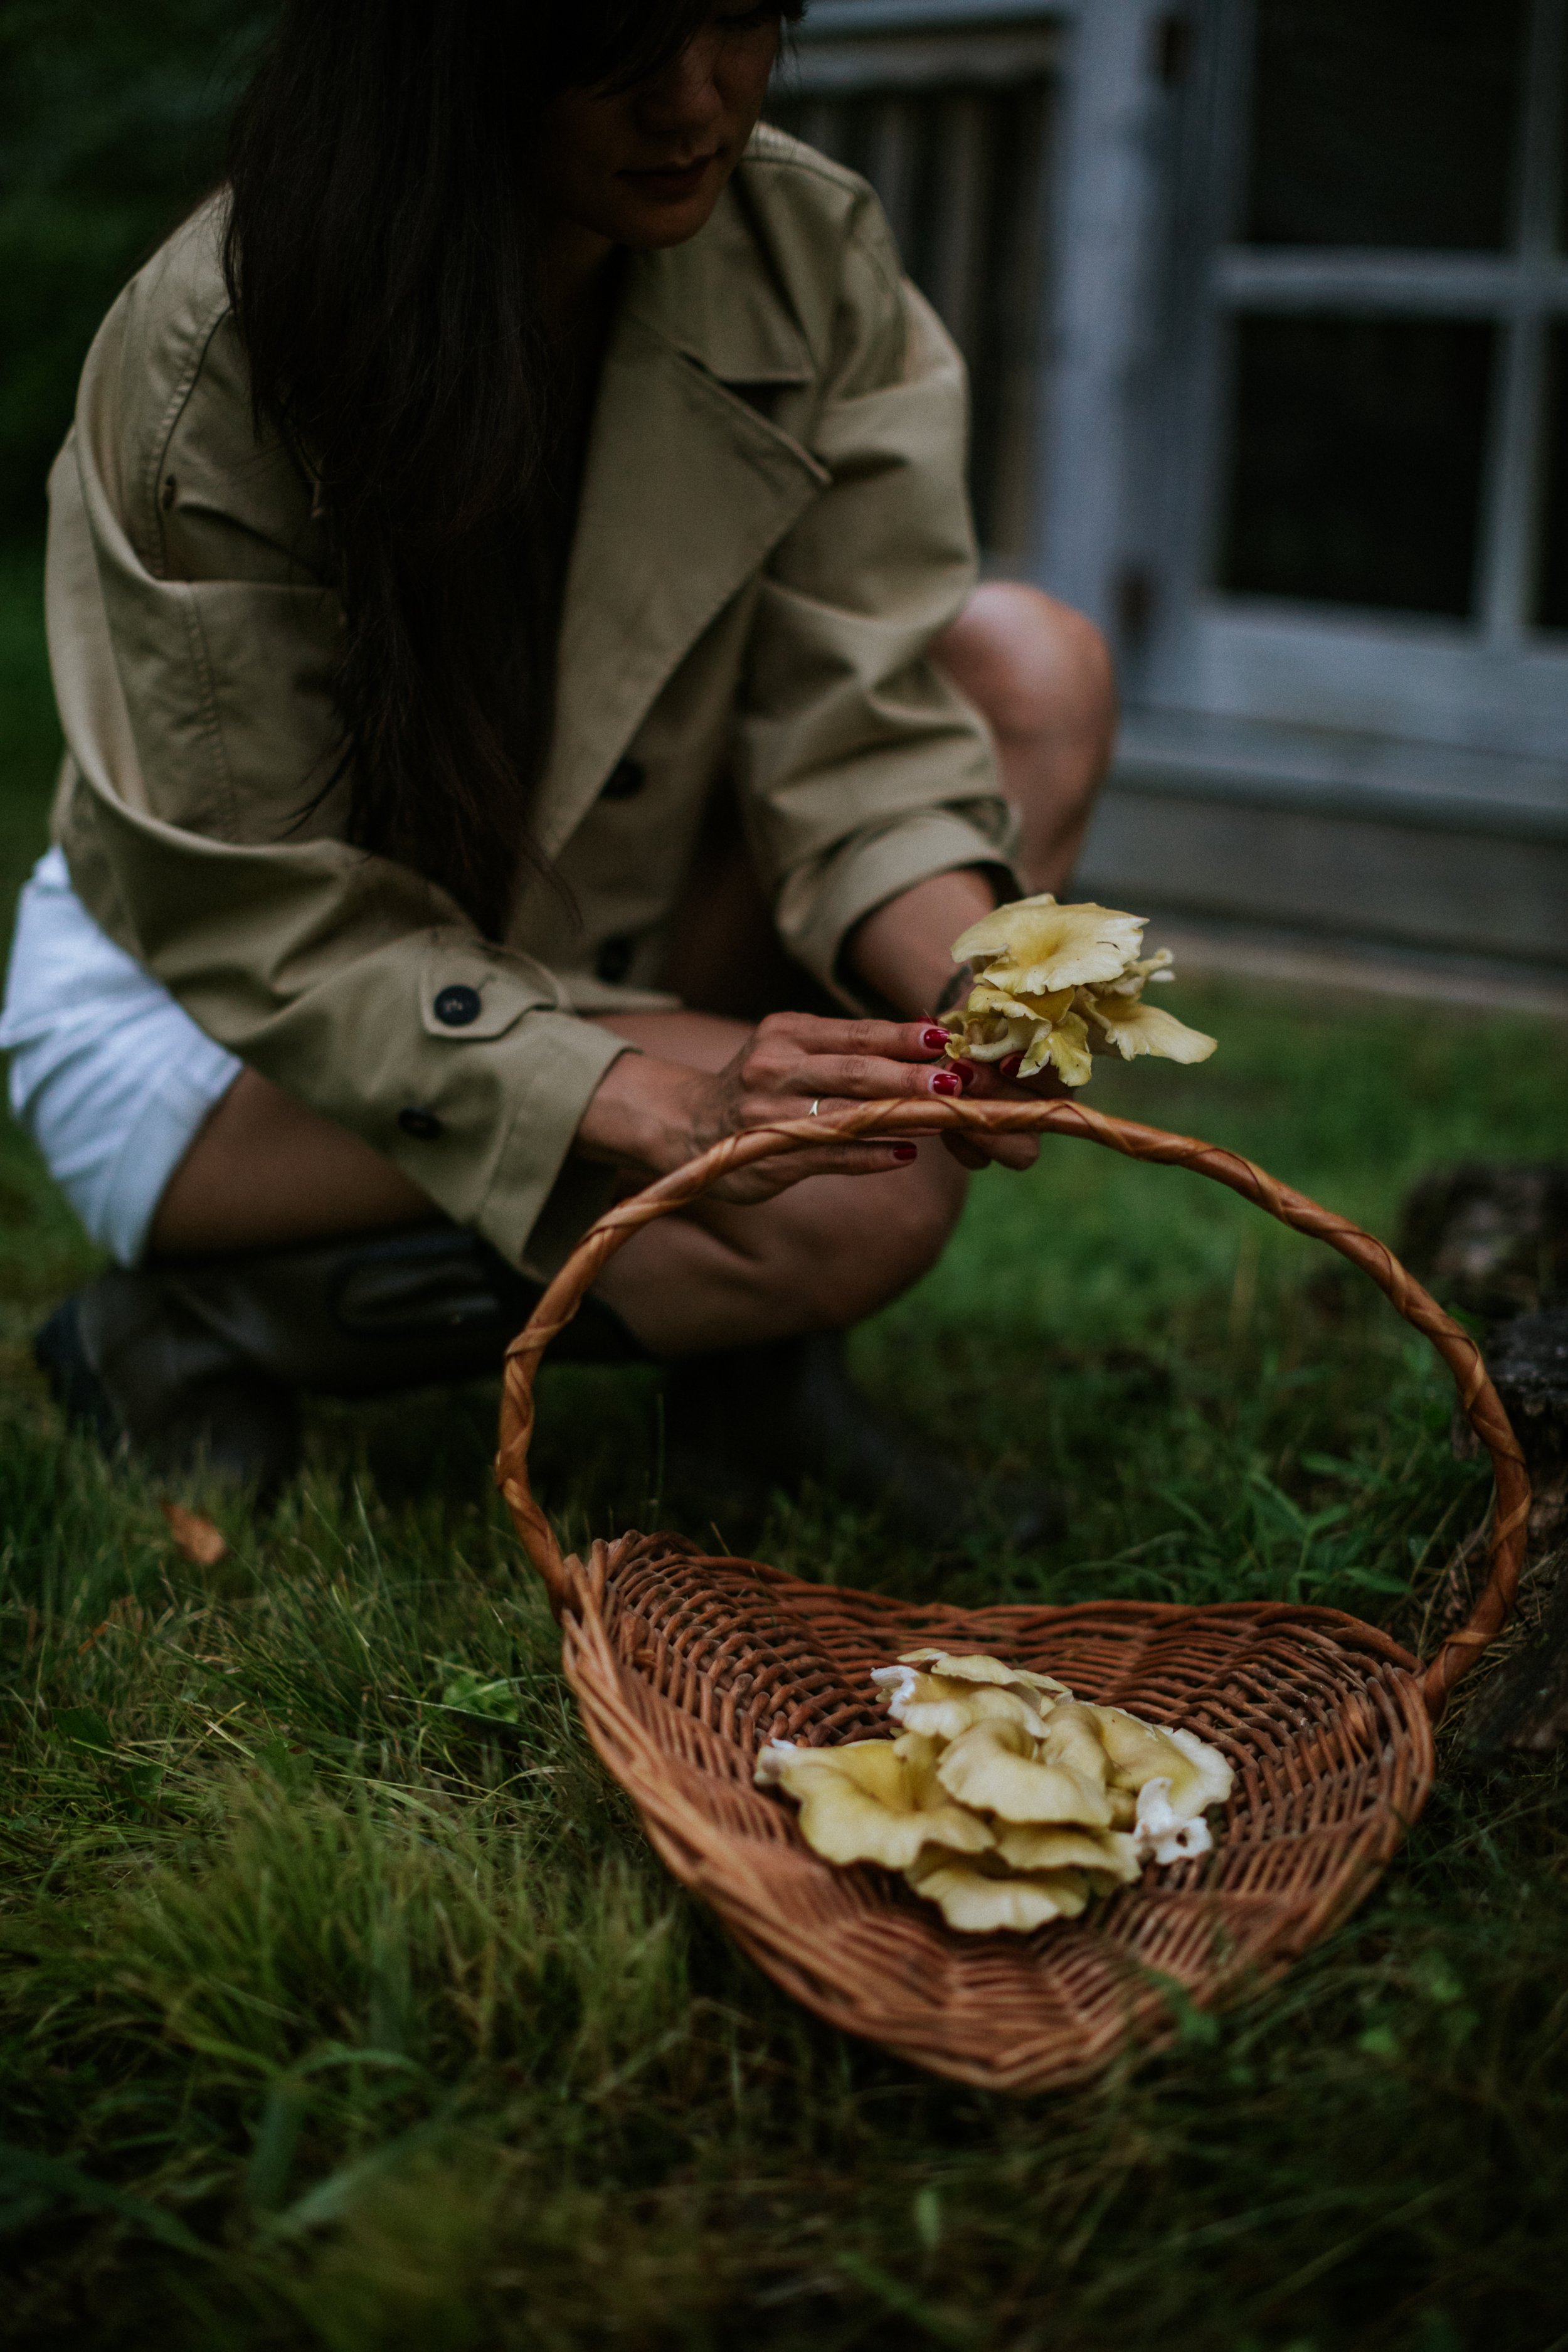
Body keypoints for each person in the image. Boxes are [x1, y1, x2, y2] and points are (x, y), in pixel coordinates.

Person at [0, 0, 1113, 1536]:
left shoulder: (799, 246)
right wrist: (647, 1102)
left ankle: (742, 1380)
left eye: (734, 19)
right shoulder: (227, 338)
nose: (694, 100)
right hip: (213, 1007)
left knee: (1026, 671)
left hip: (576, 914)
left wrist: (985, 984)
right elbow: (258, 910)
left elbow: (855, 735)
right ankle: (203, 1325)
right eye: (613, 40)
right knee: (865, 1198)